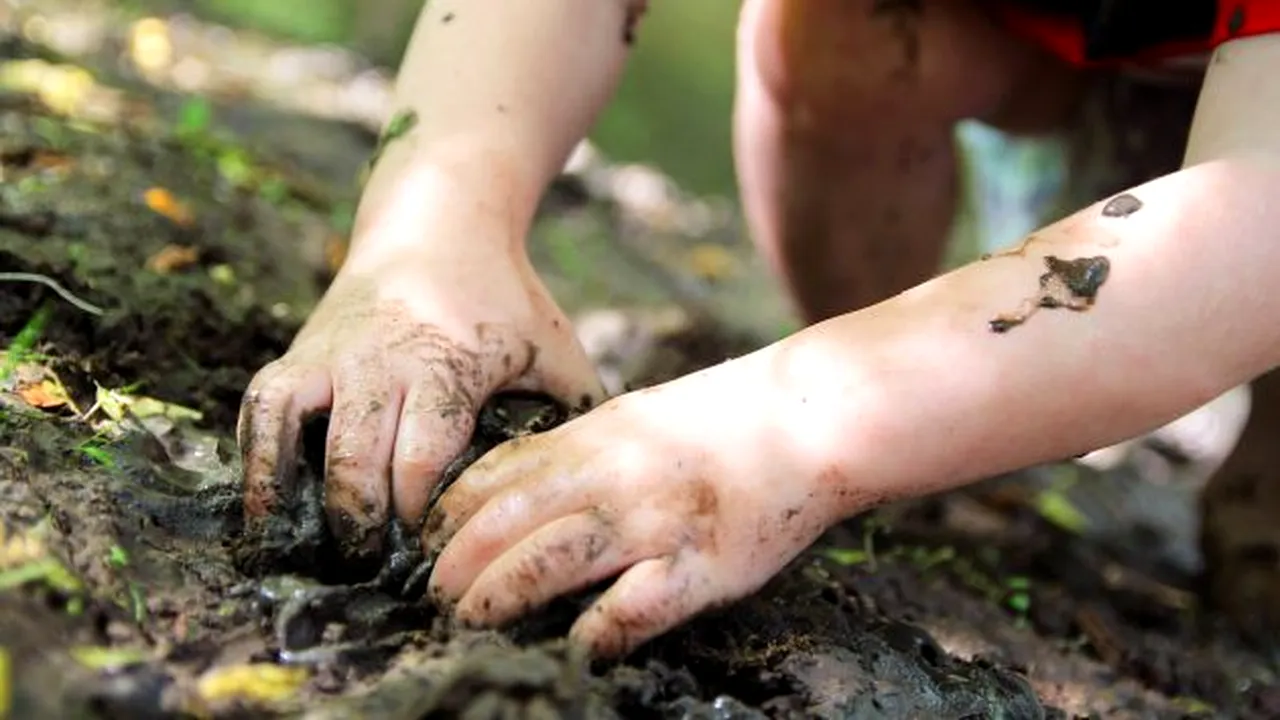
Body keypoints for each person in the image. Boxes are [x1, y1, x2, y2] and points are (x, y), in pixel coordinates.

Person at [237, 0, 1280, 658]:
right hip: (1080, 50)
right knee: (832, 27)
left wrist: (780, 425)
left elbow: (1253, 220)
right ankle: (946, 457)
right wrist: (434, 232)